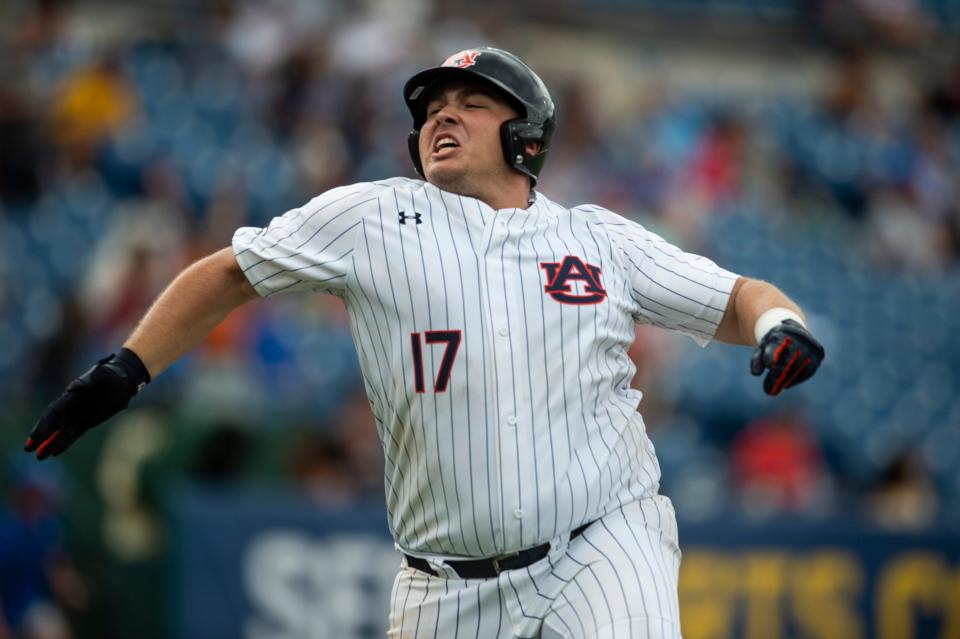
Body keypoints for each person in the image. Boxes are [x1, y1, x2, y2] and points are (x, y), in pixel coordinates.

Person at [27, 47, 824, 638]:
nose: (443, 113)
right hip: (444, 586)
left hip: (601, 541)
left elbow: (738, 297)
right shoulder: (371, 217)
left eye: (472, 101)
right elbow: (231, 273)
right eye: (433, 105)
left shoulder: (599, 239)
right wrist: (126, 368)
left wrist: (779, 325)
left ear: (528, 136)